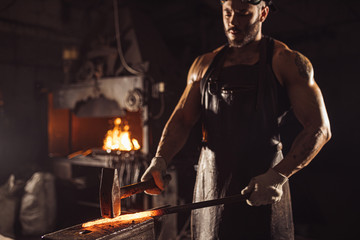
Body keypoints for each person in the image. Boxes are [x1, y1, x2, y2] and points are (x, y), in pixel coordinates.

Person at [141, 0, 331, 239]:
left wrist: (279, 175)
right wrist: (160, 159)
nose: (232, 21)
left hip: (263, 189)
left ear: (263, 13)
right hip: (211, 190)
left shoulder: (286, 61)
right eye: (227, 12)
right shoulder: (204, 64)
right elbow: (181, 120)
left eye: (242, 14)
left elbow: (319, 129)